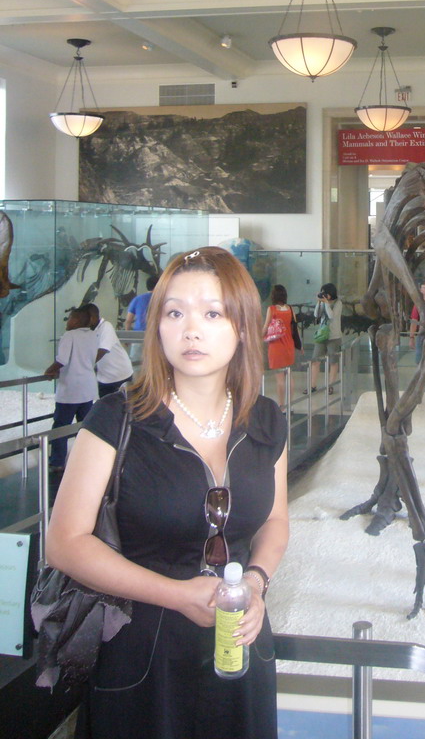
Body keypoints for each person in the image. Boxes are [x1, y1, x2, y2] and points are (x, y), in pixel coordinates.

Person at [46, 247, 289, 739]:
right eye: (174, 312)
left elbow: (275, 521)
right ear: (156, 325)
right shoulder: (116, 420)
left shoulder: (265, 420)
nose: (190, 330)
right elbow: (65, 541)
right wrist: (176, 595)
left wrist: (257, 584)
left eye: (212, 313)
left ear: (242, 326)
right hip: (140, 652)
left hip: (240, 647)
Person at [44, 307, 100, 473]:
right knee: (84, 426)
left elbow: (62, 359)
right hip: (87, 388)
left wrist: (50, 370)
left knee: (61, 426)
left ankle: (57, 461)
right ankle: (84, 458)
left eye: (69, 318)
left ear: (75, 320)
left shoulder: (69, 336)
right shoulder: (93, 335)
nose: (67, 322)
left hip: (71, 390)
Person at [84, 303, 134, 398]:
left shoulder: (106, 326)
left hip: (120, 376)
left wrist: (83, 365)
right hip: (104, 378)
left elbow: (102, 350)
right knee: (105, 408)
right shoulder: (89, 331)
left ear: (92, 318)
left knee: (123, 407)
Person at [262, 284, 297, 408]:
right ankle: (290, 404)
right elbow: (294, 329)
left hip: (276, 347)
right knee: (289, 376)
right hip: (289, 346)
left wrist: (259, 337)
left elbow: (266, 326)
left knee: (280, 379)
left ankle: (281, 405)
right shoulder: (290, 309)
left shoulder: (272, 309)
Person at [306, 282, 342, 394]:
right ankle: (312, 386)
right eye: (323, 293)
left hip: (334, 336)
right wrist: (319, 302)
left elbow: (332, 316)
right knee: (315, 360)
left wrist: (326, 303)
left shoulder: (338, 303)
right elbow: (316, 314)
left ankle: (330, 386)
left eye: (326, 293)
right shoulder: (322, 302)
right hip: (322, 336)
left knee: (333, 362)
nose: (324, 295)